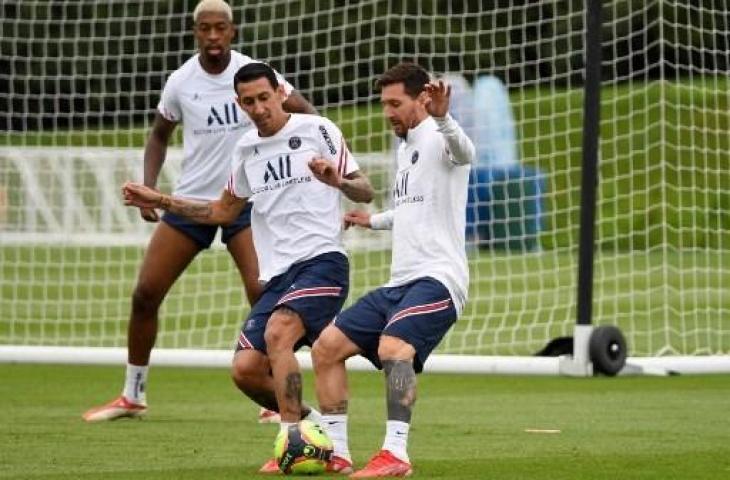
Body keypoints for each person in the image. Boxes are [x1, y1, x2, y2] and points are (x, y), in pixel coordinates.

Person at [122, 62, 374, 474]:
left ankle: (293, 441)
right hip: (278, 275)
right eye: (248, 102)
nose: (258, 108)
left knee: (278, 332)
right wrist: (162, 199)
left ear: (279, 93)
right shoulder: (245, 150)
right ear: (239, 104)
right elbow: (223, 211)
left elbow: (364, 189)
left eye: (263, 97)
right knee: (245, 370)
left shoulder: (317, 129)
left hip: (323, 262)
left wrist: (337, 181)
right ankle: (314, 433)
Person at [83, 0, 317, 423]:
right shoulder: (181, 82)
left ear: (233, 31)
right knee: (145, 293)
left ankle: (269, 391)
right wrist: (150, 188)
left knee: (263, 294)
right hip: (192, 202)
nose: (213, 36)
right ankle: (132, 394)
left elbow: (306, 114)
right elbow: (158, 136)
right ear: (195, 33)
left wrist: (305, 168)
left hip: (245, 204)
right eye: (205, 29)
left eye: (220, 28)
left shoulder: (253, 72)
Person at [311, 63, 475, 478]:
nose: (388, 112)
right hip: (399, 282)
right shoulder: (405, 148)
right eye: (384, 103)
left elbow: (466, 154)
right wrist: (374, 220)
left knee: (393, 349)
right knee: (326, 348)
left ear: (423, 98)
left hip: (439, 278)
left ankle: (395, 454)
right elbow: (412, 206)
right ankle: (338, 453)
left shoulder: (441, 136)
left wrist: (443, 117)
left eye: (395, 103)